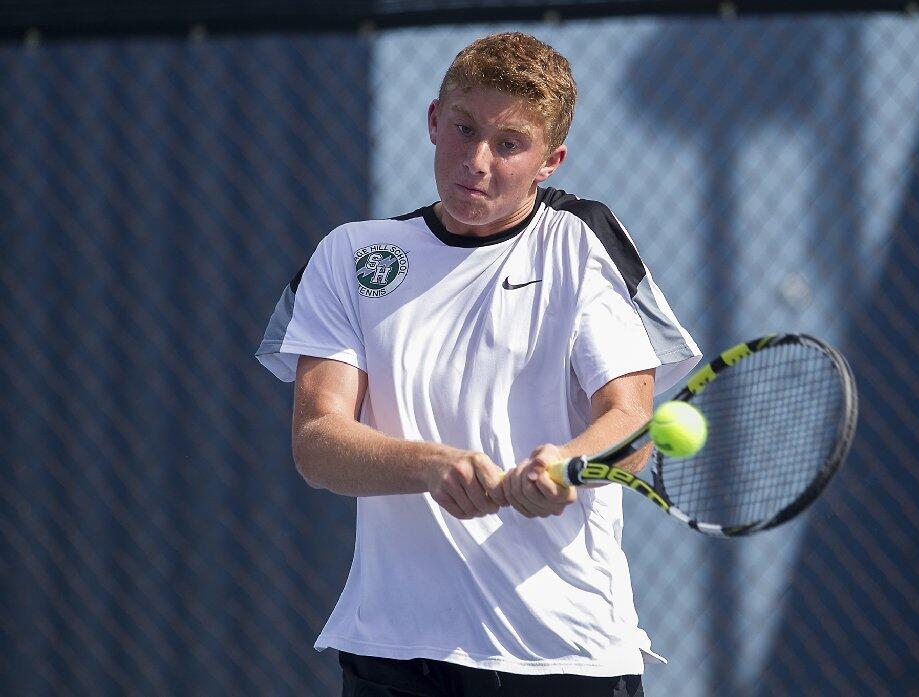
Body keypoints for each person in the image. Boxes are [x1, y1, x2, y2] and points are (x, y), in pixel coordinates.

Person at [257, 31, 700, 697]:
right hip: (394, 656)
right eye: (464, 129)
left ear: (550, 160)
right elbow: (318, 443)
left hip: (564, 656)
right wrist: (434, 465)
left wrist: (567, 465)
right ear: (434, 120)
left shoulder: (580, 243)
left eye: (509, 143)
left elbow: (631, 420)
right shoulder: (352, 255)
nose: (477, 160)